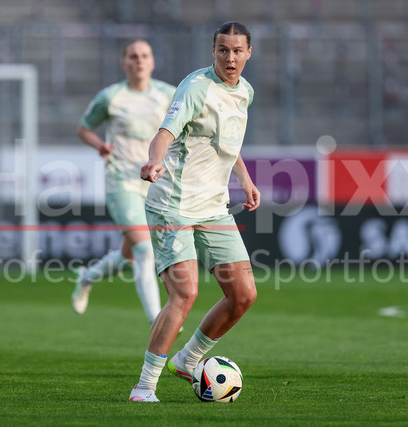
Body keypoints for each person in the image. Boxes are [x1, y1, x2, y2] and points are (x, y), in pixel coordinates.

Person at [129, 21, 259, 402]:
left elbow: (227, 142)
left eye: (237, 51)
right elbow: (165, 133)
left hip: (213, 208)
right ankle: (144, 386)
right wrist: (154, 161)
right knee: (184, 293)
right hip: (173, 204)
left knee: (243, 294)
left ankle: (188, 359)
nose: (230, 58)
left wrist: (245, 179)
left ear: (248, 53)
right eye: (223, 50)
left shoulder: (245, 92)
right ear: (213, 51)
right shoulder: (196, 88)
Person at [71, 39, 176, 327]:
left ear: (152, 62)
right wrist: (100, 145)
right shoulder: (111, 97)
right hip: (122, 181)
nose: (139, 60)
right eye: (133, 56)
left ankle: (86, 277)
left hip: (156, 183)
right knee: (145, 250)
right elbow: (84, 129)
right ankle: (158, 321)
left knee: (128, 255)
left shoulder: (168, 94)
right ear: (124, 63)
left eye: (145, 55)